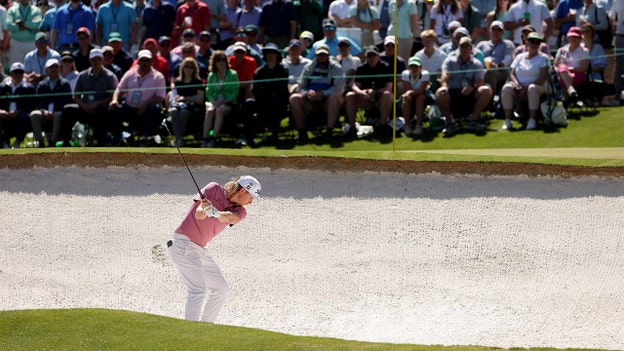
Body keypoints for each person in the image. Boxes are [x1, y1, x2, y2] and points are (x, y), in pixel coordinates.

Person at [167, 175, 261, 323]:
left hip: (200, 250)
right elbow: (198, 214)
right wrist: (206, 209)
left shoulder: (241, 211)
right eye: (251, 196)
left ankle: (206, 327)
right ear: (242, 191)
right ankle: (190, 333)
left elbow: (230, 218)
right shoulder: (214, 189)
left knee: (222, 289)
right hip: (183, 245)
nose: (251, 201)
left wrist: (216, 213)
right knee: (198, 290)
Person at [290, 43, 346, 143]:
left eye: (324, 55)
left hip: (328, 101)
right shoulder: (308, 67)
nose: (322, 57)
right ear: (315, 55)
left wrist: (322, 94)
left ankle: (329, 132)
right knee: (294, 98)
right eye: (320, 55)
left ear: (329, 55)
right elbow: (300, 86)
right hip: (311, 101)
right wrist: (307, 93)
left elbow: (339, 89)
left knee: (334, 97)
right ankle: (302, 133)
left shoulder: (337, 68)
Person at [436, 37, 492, 136]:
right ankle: (449, 123)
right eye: (462, 46)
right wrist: (444, 86)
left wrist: (472, 87)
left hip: (471, 92)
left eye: (467, 46)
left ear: (471, 48)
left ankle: (473, 121)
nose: (465, 49)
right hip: (453, 91)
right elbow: (445, 76)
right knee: (440, 93)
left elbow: (480, 80)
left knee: (486, 90)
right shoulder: (449, 61)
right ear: (458, 47)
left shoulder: (477, 63)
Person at [109, 50, 167, 146]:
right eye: (142, 60)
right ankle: (117, 137)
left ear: (151, 61)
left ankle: (146, 137)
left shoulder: (158, 77)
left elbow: (160, 97)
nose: (144, 63)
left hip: (146, 110)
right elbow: (119, 89)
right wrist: (114, 99)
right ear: (138, 61)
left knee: (155, 108)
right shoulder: (130, 74)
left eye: (147, 60)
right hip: (129, 107)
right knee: (113, 108)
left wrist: (145, 104)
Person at [63, 48, 118, 146]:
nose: (96, 62)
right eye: (94, 59)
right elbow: (76, 96)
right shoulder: (82, 75)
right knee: (68, 109)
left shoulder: (110, 76)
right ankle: (66, 141)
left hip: (100, 109)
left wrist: (97, 104)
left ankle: (101, 140)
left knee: (103, 109)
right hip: (85, 108)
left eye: (98, 59)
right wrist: (83, 105)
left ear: (102, 60)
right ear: (89, 60)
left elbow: (112, 97)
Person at [500, 32, 550, 130]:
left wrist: (526, 88)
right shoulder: (519, 57)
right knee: (507, 88)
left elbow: (543, 78)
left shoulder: (543, 58)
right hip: (520, 86)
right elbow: (512, 73)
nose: (535, 44)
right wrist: (517, 85)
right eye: (532, 41)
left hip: (538, 87)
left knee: (532, 88)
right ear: (526, 42)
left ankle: (532, 120)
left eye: (537, 42)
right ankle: (507, 120)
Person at [345, 45, 393, 137]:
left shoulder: (386, 67)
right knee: (350, 95)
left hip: (380, 96)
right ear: (366, 57)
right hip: (365, 97)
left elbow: (389, 87)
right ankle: (352, 127)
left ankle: (383, 125)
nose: (372, 58)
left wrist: (375, 91)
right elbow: (355, 85)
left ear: (378, 56)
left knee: (387, 94)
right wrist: (361, 92)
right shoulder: (361, 68)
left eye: (374, 56)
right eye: (369, 56)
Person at [249, 42, 289, 144]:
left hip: (278, 102)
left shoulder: (283, 70)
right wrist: (269, 90)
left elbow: (282, 88)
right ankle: (250, 137)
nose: (270, 55)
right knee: (249, 103)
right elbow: (255, 89)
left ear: (277, 55)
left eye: (273, 53)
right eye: (268, 53)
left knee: (275, 102)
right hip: (262, 101)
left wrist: (267, 89)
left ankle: (274, 135)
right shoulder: (259, 71)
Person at [29, 58, 72, 147]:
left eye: (56, 67)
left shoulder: (65, 84)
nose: (54, 69)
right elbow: (39, 101)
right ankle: (40, 142)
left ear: (59, 69)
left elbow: (66, 100)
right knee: (34, 114)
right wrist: (43, 111)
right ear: (46, 70)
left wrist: (55, 110)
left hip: (58, 112)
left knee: (58, 114)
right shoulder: (42, 84)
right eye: (51, 67)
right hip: (44, 112)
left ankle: (53, 141)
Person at [202, 50, 239, 147]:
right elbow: (208, 92)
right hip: (214, 103)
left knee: (219, 111)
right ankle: (205, 139)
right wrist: (213, 101)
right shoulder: (211, 75)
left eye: (223, 59)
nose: (221, 62)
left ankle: (214, 138)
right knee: (210, 111)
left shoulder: (233, 74)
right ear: (214, 62)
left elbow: (235, 92)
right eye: (218, 60)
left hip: (228, 103)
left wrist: (225, 101)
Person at [169, 57, 204, 147]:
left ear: (194, 69)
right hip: (180, 105)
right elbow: (174, 97)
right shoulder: (178, 81)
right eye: (186, 67)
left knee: (183, 112)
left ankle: (177, 139)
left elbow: (200, 99)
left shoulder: (197, 81)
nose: (188, 69)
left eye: (191, 67)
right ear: (182, 68)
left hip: (194, 107)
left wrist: (187, 98)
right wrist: (178, 99)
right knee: (174, 111)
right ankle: (179, 139)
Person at [0, 62, 35, 149]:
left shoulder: (29, 87)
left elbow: (31, 104)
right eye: (16, 72)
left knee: (24, 117)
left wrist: (19, 111)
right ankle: (4, 143)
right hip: (5, 114)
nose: (18, 74)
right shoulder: (2, 87)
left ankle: (17, 143)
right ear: (11, 73)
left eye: (20, 72)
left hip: (21, 115)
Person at [475, 20, 515, 94]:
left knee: (491, 72)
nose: (496, 32)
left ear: (503, 32)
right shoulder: (482, 44)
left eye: (499, 30)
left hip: (501, 71)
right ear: (490, 31)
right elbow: (474, 57)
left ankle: (490, 97)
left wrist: (498, 66)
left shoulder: (508, 44)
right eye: (494, 29)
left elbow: (508, 59)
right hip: (482, 69)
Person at [554, 26, 590, 100]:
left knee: (562, 76)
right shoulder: (562, 50)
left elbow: (584, 69)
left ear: (580, 38)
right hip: (561, 73)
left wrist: (569, 69)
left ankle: (565, 103)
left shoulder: (584, 51)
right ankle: (570, 90)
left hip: (577, 75)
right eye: (571, 36)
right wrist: (563, 69)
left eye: (575, 37)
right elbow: (556, 64)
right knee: (561, 69)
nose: (573, 39)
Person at [6, 0, 43, 66]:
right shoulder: (12, 10)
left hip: (31, 43)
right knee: (16, 68)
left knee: (32, 67)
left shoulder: (36, 10)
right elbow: (9, 26)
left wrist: (22, 24)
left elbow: (37, 24)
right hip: (16, 43)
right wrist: (28, 26)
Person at [401, 56, 430, 136]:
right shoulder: (405, 74)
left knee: (420, 98)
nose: (414, 69)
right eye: (412, 66)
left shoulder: (425, 74)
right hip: (410, 96)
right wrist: (409, 93)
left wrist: (410, 92)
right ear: (409, 68)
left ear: (420, 67)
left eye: (416, 66)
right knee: (406, 98)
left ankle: (418, 125)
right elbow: (407, 89)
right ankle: (407, 125)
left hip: (422, 95)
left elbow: (421, 90)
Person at [608, 0, 623, 105]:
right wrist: (614, 29)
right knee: (619, 68)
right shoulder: (618, 1)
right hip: (621, 36)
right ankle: (617, 97)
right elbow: (611, 16)